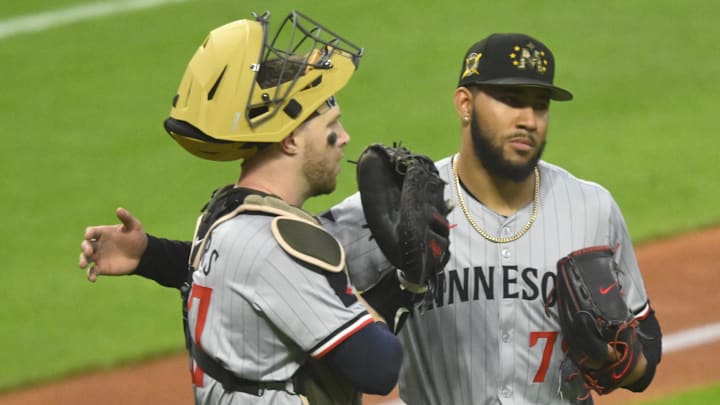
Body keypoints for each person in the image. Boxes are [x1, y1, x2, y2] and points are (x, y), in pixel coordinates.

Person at [80, 32, 662, 404]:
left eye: (539, 104)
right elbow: (268, 269)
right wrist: (153, 255)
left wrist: (624, 359)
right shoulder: (403, 206)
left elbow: (645, 352)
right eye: (510, 100)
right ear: (466, 103)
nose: (528, 118)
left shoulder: (591, 209)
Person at [81, 10, 405, 405]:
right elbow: (378, 366)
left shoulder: (225, 212)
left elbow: (229, 272)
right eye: (332, 126)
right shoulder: (276, 245)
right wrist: (406, 285)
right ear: (289, 140)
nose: (344, 138)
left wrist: (149, 254)